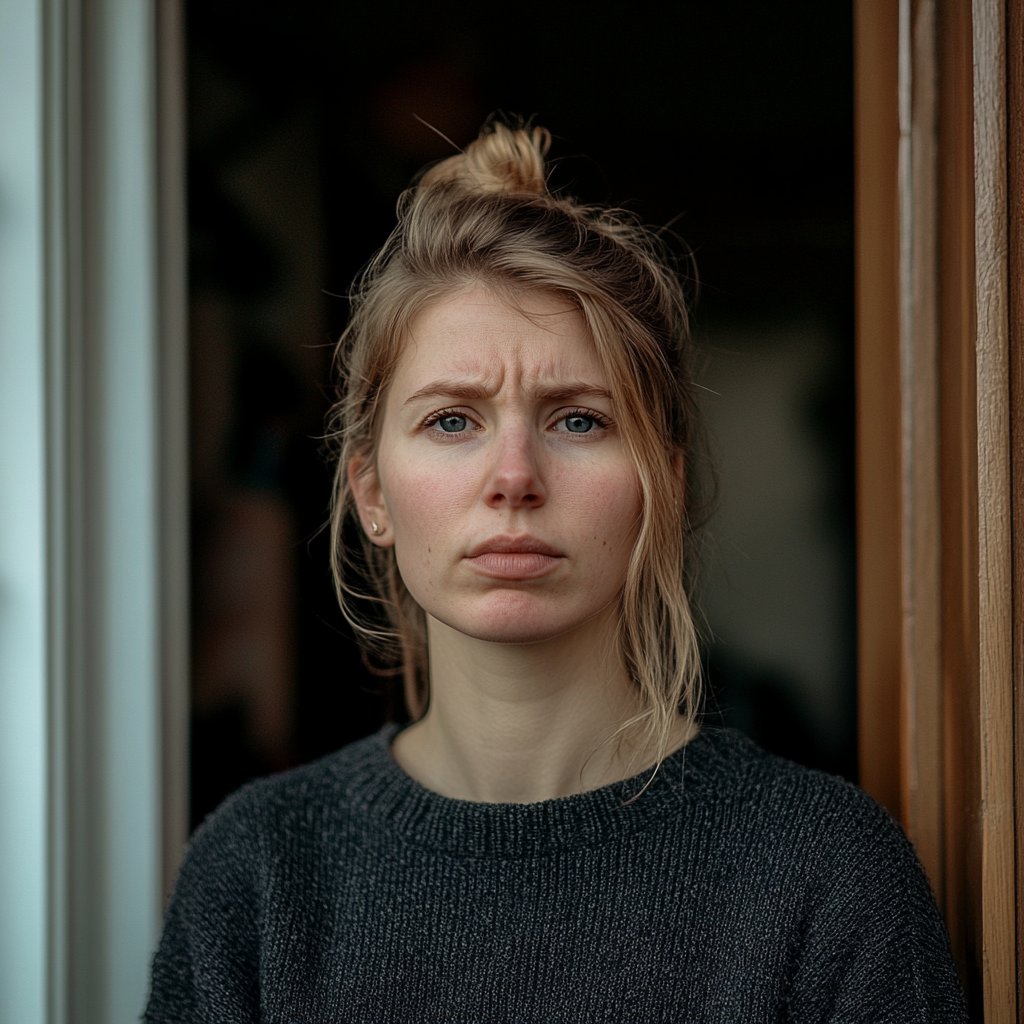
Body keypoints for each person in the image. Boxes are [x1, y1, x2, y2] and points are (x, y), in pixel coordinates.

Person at [143, 117, 967, 1022]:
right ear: (371, 493)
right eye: (452, 420)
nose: (513, 479)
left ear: (663, 484)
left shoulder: (826, 876)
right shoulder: (258, 875)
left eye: (578, 419)